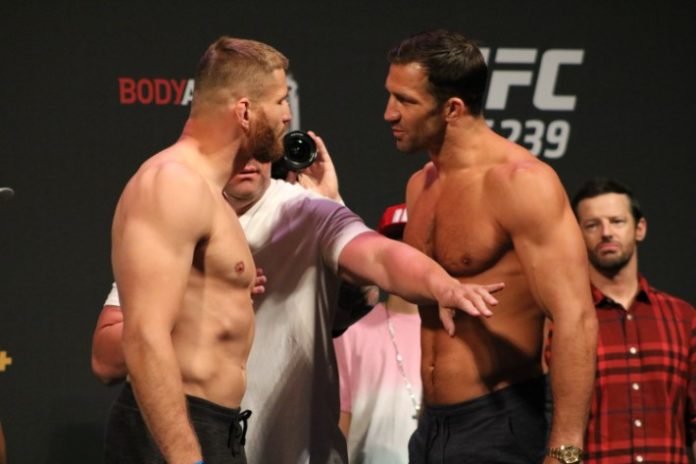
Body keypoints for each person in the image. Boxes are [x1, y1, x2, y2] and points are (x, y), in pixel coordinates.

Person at [95, 132, 504, 464]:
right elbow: (106, 360)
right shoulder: (176, 217)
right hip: (203, 443)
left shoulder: (308, 210)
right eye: (239, 148)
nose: (250, 161)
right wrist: (196, 299)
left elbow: (379, 259)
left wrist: (441, 284)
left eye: (262, 149)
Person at [383, 29, 598, 463]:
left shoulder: (521, 183)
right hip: (431, 427)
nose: (389, 113)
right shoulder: (420, 185)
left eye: (405, 100)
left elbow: (575, 317)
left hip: (501, 423)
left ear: (452, 108)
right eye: (390, 96)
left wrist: (565, 450)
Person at [107, 35, 292, 464]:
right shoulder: (172, 184)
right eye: (280, 101)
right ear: (244, 112)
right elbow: (144, 336)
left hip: (214, 427)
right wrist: (186, 458)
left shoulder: (211, 193)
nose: (287, 115)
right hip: (172, 433)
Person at [564, 177, 696, 463]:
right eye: (592, 225)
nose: (606, 233)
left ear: (640, 229)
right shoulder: (564, 322)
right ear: (577, 236)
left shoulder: (683, 318)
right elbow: (551, 426)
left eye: (617, 221)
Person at [334, 203, 421, 464]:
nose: (405, 253)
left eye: (415, 242)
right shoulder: (352, 328)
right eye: (395, 243)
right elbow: (339, 418)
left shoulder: (454, 331)